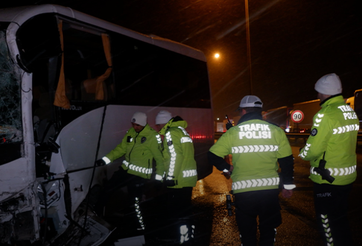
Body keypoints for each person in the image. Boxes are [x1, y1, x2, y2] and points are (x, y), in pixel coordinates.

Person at [208, 95, 295, 246]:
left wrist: (227, 167)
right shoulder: (276, 131)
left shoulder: (233, 133)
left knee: (247, 233)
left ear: (243, 111)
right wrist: (287, 186)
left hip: (244, 193)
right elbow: (286, 161)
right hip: (269, 192)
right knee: (268, 231)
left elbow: (212, 155)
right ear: (260, 111)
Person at [299, 73, 359, 246]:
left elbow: (313, 149)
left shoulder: (325, 115)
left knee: (327, 225)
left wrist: (302, 153)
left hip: (327, 179)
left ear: (325, 93)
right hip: (346, 178)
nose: (317, 95)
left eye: (319, 92)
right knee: (340, 221)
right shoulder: (349, 112)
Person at [94, 111, 164, 231]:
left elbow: (160, 159)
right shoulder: (131, 133)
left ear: (143, 124)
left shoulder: (152, 136)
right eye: (133, 124)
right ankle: (97, 217)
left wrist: (159, 178)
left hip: (140, 176)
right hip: (125, 171)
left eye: (138, 125)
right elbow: (121, 149)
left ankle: (139, 228)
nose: (135, 127)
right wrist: (105, 160)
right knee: (107, 189)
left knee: (134, 202)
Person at [154, 110, 198, 244]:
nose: (157, 128)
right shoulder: (181, 131)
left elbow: (175, 156)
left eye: (158, 125)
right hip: (186, 179)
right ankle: (188, 237)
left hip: (178, 180)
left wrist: (171, 177)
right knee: (185, 211)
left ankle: (180, 239)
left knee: (177, 212)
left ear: (163, 123)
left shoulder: (171, 132)